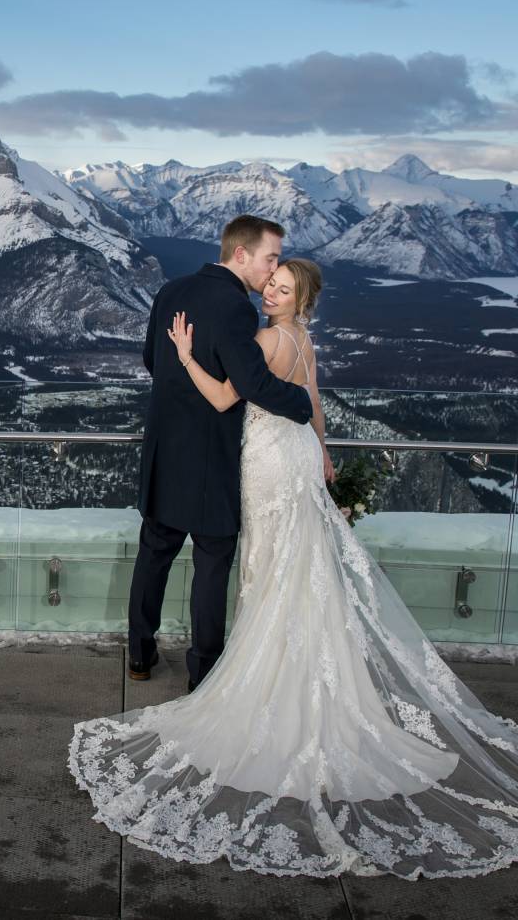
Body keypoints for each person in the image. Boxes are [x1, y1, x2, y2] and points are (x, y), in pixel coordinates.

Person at [70, 258, 518, 879]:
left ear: (300, 300)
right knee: (299, 565)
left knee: (269, 569)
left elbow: (230, 395)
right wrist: (325, 454)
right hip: (297, 459)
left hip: (267, 465)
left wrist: (184, 356)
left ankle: (268, 675)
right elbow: (311, 398)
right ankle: (303, 666)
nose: (269, 293)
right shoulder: (304, 338)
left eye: (282, 290)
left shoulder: (263, 338)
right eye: (271, 284)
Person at [127, 216, 313, 693]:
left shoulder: (170, 291)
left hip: (165, 448)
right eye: (271, 258)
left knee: (155, 553)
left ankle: (140, 654)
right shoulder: (235, 308)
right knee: (212, 564)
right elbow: (251, 384)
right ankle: (202, 673)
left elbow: (152, 359)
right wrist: (302, 403)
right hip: (211, 458)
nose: (272, 271)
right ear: (241, 255)